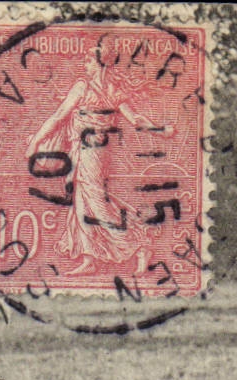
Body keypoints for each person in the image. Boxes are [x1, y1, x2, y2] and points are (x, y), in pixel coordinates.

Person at [25, 55, 166, 276]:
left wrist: (35, 141)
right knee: (83, 201)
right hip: (87, 150)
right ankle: (90, 258)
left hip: (92, 152)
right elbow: (135, 119)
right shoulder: (109, 89)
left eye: (89, 61)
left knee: (96, 203)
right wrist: (156, 128)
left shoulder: (89, 88)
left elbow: (60, 115)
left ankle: (140, 245)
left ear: (101, 63)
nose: (85, 64)